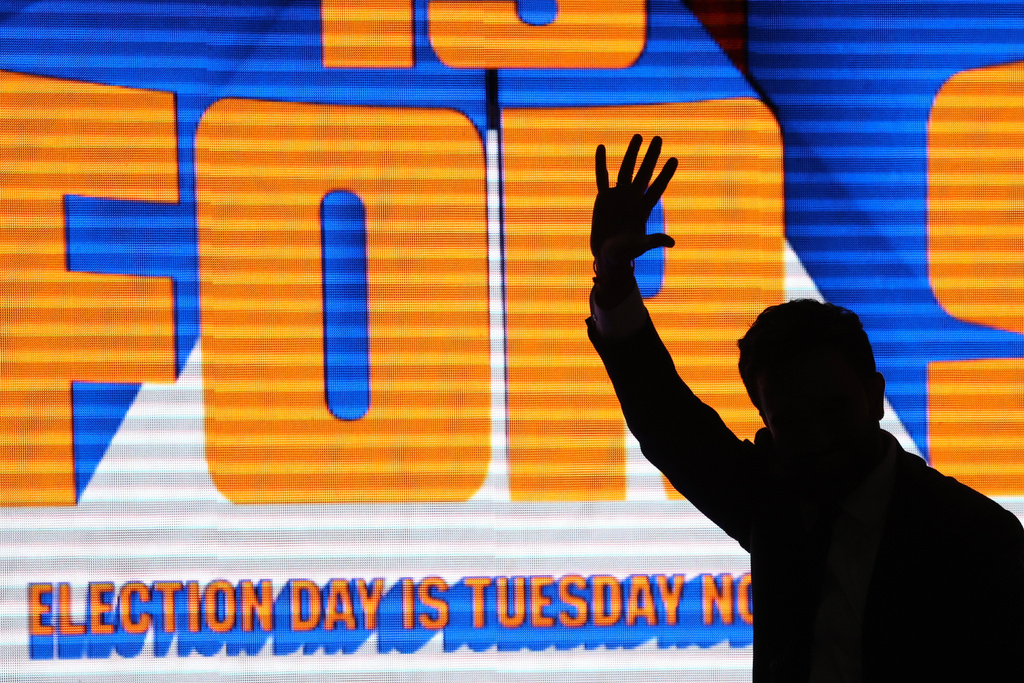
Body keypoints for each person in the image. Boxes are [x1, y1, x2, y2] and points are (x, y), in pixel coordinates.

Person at [587, 134, 1024, 682]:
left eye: (833, 411)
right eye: (793, 421)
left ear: (875, 396)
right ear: (766, 421)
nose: (818, 438)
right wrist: (614, 279)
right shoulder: (773, 494)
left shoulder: (976, 537)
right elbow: (667, 420)